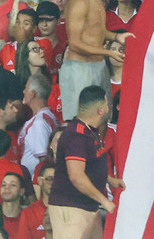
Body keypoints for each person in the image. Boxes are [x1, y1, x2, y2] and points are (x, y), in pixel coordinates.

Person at [48, 84, 116, 239]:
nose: (108, 107)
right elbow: (77, 177)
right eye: (106, 104)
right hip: (71, 208)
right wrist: (104, 201)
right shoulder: (76, 135)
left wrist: (110, 179)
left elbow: (90, 166)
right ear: (100, 110)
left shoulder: (90, 132)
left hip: (87, 207)